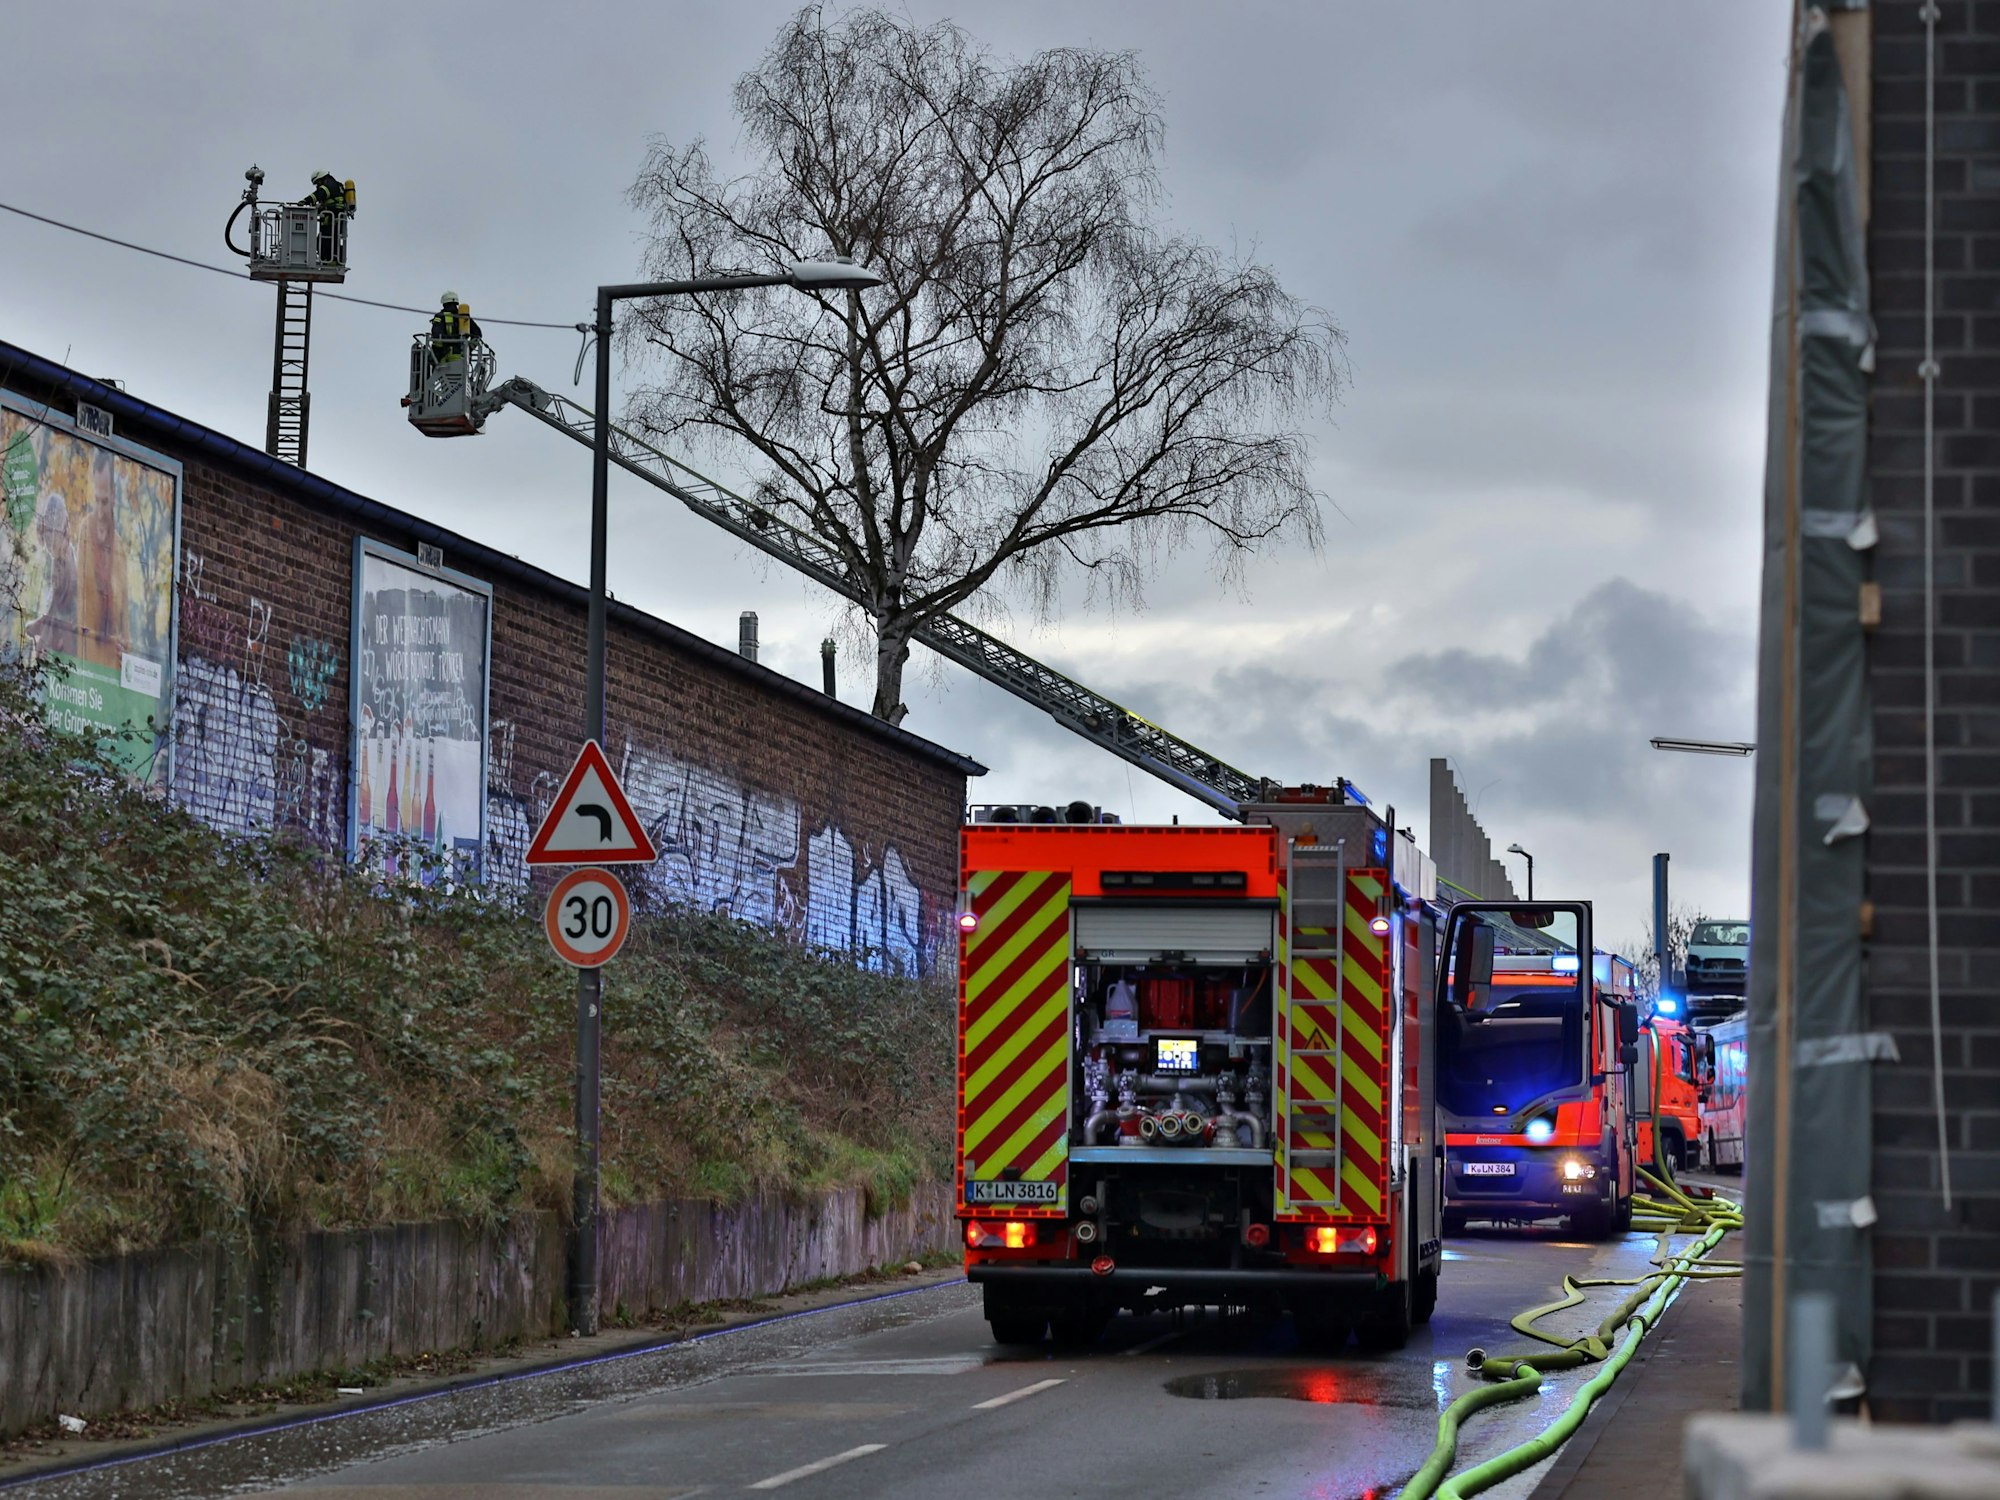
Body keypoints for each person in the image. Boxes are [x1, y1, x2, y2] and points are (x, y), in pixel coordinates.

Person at [310, 170, 346, 265]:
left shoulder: (328, 186)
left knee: (326, 240)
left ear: (322, 179)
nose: (318, 185)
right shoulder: (338, 185)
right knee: (329, 239)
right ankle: (331, 259)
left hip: (331, 219)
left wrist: (305, 201)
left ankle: (329, 260)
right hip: (336, 218)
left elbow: (317, 195)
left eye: (318, 182)